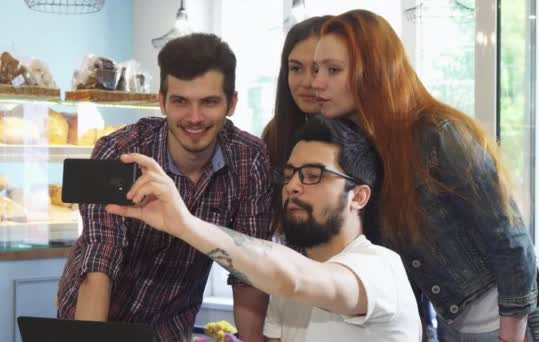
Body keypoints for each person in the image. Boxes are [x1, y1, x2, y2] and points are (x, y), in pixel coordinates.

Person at [310, 9, 539, 342]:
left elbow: (510, 238)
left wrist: (511, 336)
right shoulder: (366, 153)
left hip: (521, 314)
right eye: (317, 68)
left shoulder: (438, 134)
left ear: (374, 72)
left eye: (333, 70)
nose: (316, 81)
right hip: (460, 324)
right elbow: (403, 270)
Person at [105, 116, 423, 342]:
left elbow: (295, 279)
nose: (294, 186)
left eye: (313, 174)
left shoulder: (381, 268)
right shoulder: (287, 282)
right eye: (290, 174)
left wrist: (186, 224)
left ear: (359, 196)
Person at [56, 33, 273, 342]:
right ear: (161, 102)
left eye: (209, 102)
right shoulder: (119, 151)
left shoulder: (249, 160)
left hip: (170, 326)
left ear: (232, 103)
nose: (194, 118)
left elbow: (249, 271)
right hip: (93, 320)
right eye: (180, 101)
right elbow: (99, 264)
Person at [262, 15, 332, 231]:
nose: (307, 82)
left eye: (318, 69)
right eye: (296, 68)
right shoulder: (275, 133)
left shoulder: (357, 137)